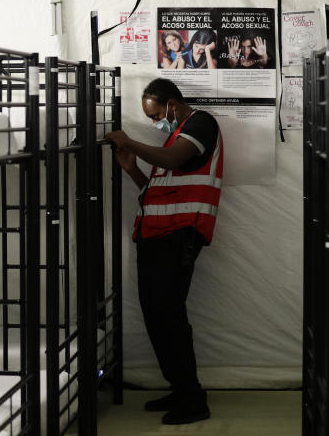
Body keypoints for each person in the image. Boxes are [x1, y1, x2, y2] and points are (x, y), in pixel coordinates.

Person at [104, 78, 223, 426]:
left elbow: (173, 160)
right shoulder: (174, 135)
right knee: (158, 316)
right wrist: (133, 170)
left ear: (172, 105)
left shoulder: (201, 123)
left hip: (179, 237)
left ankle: (192, 397)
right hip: (159, 236)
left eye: (156, 115)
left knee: (168, 316)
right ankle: (181, 388)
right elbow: (158, 191)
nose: (157, 123)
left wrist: (129, 142)